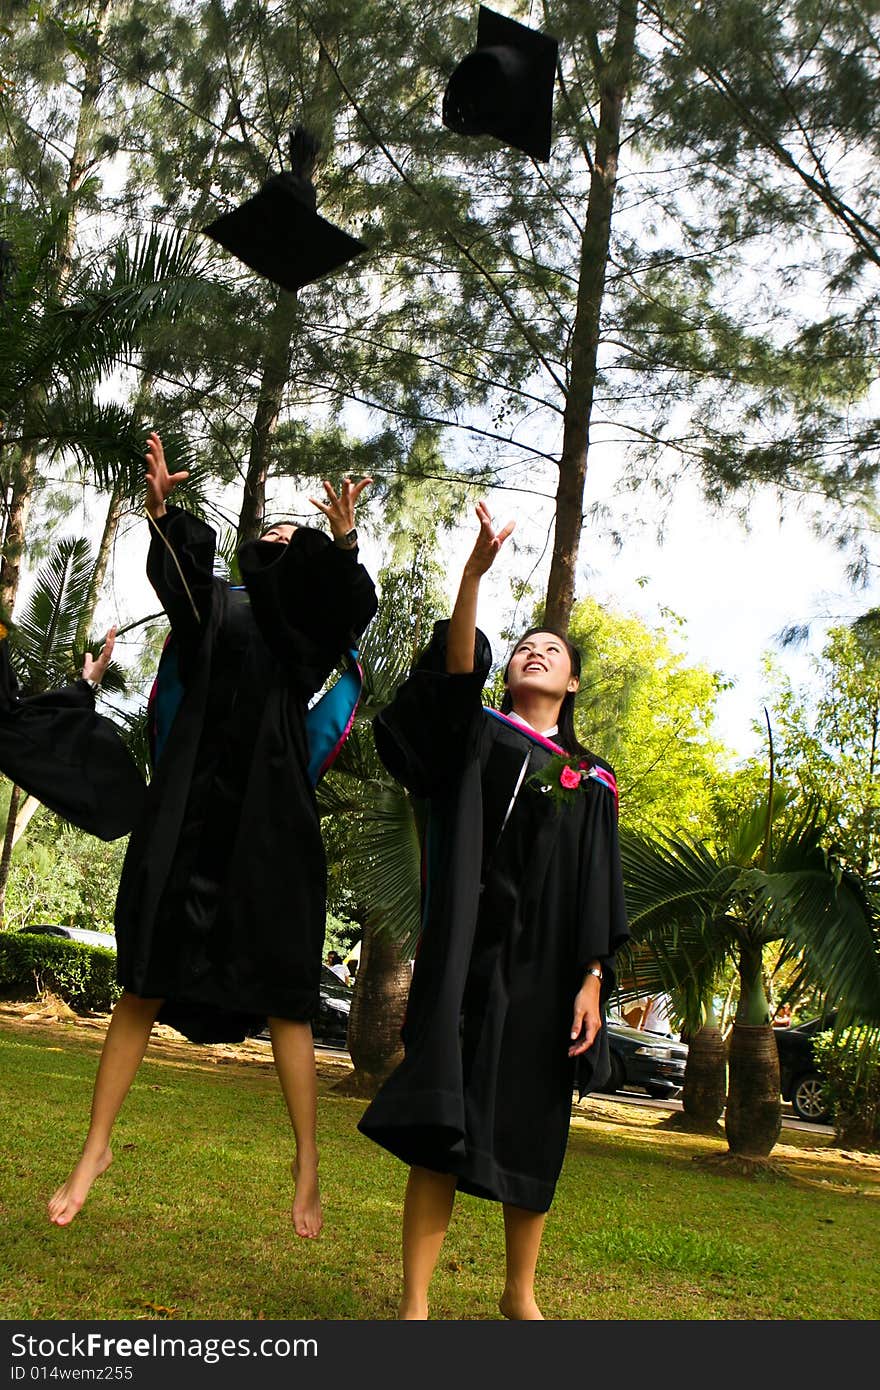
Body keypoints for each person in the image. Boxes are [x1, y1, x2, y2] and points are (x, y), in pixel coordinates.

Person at [48, 431, 377, 1237]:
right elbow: (188, 582)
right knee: (145, 980)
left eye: (288, 540)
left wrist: (340, 542)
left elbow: (341, 613)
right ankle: (95, 1148)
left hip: (269, 824)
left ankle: (305, 1160)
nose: (276, 540)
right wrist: (162, 511)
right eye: (269, 532)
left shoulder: (300, 629)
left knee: (286, 996)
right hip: (190, 811)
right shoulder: (220, 605)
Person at [358, 502, 629, 1320]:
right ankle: (415, 1306)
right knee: (445, 1113)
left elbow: (597, 882)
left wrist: (592, 978)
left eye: (553, 651)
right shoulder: (476, 737)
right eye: (524, 647)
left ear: (572, 682)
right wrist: (473, 576)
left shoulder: (593, 778)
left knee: (534, 1121)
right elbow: (451, 678)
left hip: (548, 970)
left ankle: (520, 1294)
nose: (535, 652)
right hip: (466, 958)